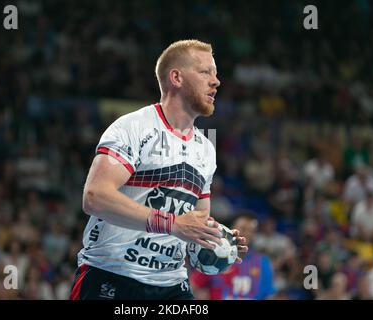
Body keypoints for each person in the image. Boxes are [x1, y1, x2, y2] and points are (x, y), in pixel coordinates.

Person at [70, 40, 248, 300]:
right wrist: (173, 224)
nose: (216, 81)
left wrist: (217, 241)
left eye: (216, 73)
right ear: (176, 77)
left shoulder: (206, 148)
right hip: (111, 276)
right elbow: (95, 197)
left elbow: (194, 224)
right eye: (206, 72)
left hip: (172, 285)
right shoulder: (133, 127)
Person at [190, 212, 276, 300]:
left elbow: (269, 296)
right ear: (231, 230)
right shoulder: (213, 256)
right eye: (243, 228)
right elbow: (192, 288)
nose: (247, 233)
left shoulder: (263, 262)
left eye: (251, 230)